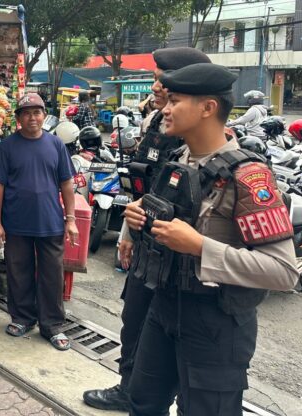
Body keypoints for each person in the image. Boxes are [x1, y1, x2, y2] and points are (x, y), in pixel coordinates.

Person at [124, 63, 298, 415]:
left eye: (175, 100)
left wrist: (200, 246)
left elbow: (283, 271)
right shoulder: (179, 158)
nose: (165, 108)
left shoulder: (249, 176)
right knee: (143, 403)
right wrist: (139, 216)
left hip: (215, 323)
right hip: (164, 306)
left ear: (208, 108)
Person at [83, 47, 211, 412]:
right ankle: (131, 387)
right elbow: (143, 186)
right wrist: (127, 235)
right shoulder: (155, 123)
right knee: (134, 317)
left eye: (164, 80)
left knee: (175, 337)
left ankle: (156, 394)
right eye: (157, 78)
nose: (156, 86)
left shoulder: (199, 138)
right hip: (145, 241)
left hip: (181, 253)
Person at [0, 92, 80, 351]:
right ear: (18, 118)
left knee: (52, 274)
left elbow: (67, 184)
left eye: (37, 112)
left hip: (50, 222)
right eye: (26, 113)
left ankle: (52, 325)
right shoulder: (7, 147)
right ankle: (23, 318)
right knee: (18, 272)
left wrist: (70, 220)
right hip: (16, 222)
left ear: (44, 116)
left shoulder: (56, 145)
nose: (32, 118)